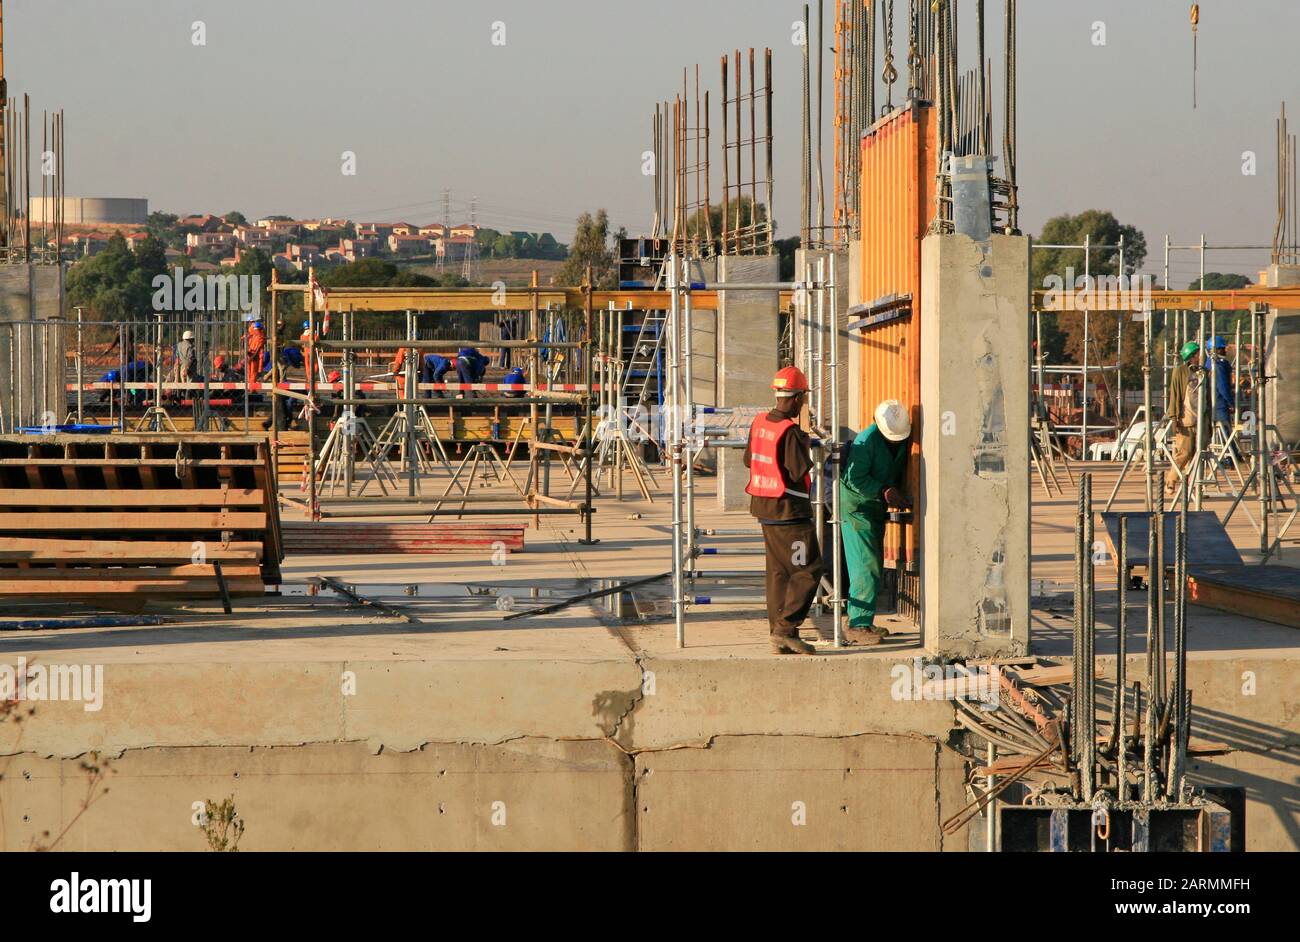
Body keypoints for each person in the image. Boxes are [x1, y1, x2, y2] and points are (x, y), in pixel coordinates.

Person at [743, 366, 823, 656]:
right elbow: (798, 468)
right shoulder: (790, 433)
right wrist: (805, 441)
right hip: (790, 512)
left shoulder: (759, 422)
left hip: (764, 508)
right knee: (807, 569)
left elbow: (748, 460)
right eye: (803, 398)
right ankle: (786, 629)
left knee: (779, 573)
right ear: (798, 398)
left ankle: (778, 633)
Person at [839, 399, 912, 645]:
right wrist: (883, 491)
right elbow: (854, 479)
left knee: (873, 564)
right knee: (865, 565)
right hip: (857, 508)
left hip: (873, 508)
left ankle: (864, 622)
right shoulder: (865, 442)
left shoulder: (900, 438)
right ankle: (857, 625)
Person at [1164, 341, 1200, 496]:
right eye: (1197, 354)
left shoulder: (1201, 372)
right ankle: (1170, 480)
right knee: (1184, 453)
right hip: (1186, 419)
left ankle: (1194, 487)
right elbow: (1174, 394)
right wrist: (1174, 417)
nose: (1200, 356)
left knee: (1197, 455)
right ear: (1191, 356)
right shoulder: (1181, 372)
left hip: (1200, 420)